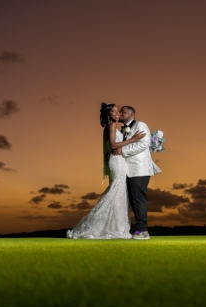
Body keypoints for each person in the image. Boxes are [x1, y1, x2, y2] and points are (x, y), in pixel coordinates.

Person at [67, 102, 147, 239]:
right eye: (114, 112)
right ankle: (114, 228)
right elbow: (112, 144)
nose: (118, 114)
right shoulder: (111, 125)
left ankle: (116, 227)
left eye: (119, 112)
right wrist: (133, 139)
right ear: (108, 115)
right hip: (117, 162)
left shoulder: (115, 127)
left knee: (119, 193)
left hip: (120, 161)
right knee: (116, 192)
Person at [119, 105, 162, 240]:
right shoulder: (124, 129)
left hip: (139, 168)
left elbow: (144, 143)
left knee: (138, 199)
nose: (120, 113)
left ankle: (143, 231)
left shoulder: (140, 125)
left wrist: (123, 151)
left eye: (123, 112)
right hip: (128, 169)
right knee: (133, 200)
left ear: (131, 114)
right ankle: (137, 229)